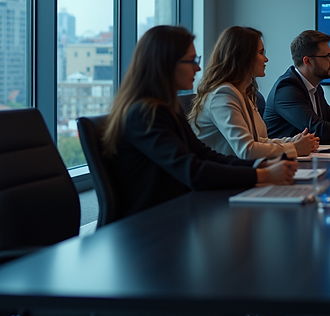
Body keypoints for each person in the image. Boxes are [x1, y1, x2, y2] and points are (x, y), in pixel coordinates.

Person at [102, 25, 298, 219]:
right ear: (166, 64)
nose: (197, 67)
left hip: (171, 212)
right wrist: (262, 175)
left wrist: (260, 165)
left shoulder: (167, 108)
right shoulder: (144, 114)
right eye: (191, 61)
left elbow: (204, 154)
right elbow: (192, 170)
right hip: (147, 223)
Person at [188, 26, 320, 160]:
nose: (266, 59)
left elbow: (258, 141)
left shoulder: (242, 92)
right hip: (220, 171)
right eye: (261, 53)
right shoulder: (223, 95)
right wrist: (294, 148)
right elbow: (247, 151)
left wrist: (291, 142)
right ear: (243, 57)